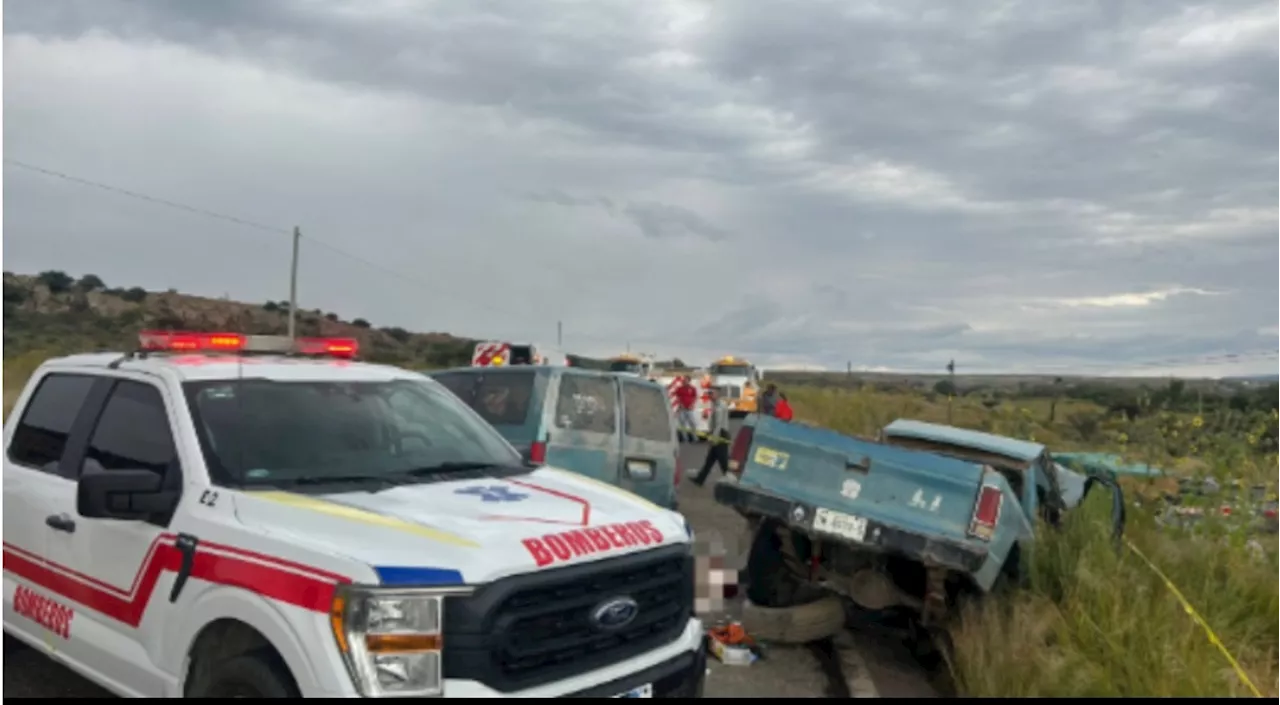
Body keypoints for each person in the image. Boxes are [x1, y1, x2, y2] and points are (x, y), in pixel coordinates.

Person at [692, 388, 731, 486]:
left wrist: (714, 437)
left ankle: (731, 480)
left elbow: (718, 424)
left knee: (723, 460)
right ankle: (700, 479)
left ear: (718, 394)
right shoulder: (715, 404)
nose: (710, 395)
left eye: (712, 393)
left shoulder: (720, 406)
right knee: (710, 459)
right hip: (718, 433)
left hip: (720, 434)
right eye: (709, 393)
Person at [674, 375, 698, 442]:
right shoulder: (680, 388)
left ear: (689, 381)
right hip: (682, 409)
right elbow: (677, 397)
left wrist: (692, 405)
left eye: (686, 380)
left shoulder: (692, 388)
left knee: (692, 423)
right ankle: (685, 438)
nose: (684, 381)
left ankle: (694, 438)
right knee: (682, 424)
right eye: (683, 380)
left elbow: (695, 397)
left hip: (689, 409)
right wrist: (680, 404)